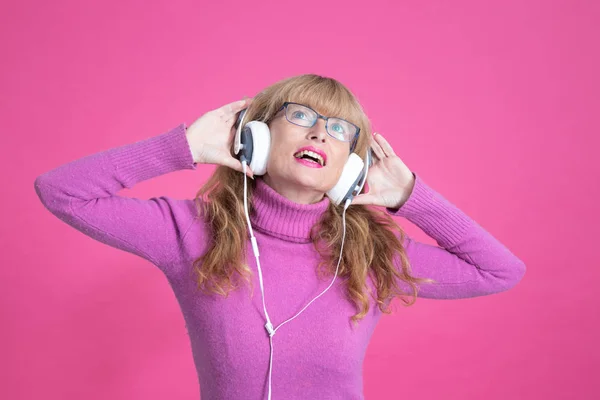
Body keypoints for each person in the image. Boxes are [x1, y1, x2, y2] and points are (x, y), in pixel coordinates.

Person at [34, 74, 526, 399]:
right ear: (258, 138)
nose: (319, 135)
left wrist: (409, 197)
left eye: (339, 129)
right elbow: (62, 193)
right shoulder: (189, 232)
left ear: (350, 163)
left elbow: (500, 270)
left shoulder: (371, 255)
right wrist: (182, 147)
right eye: (301, 117)